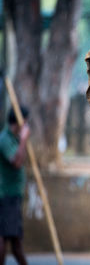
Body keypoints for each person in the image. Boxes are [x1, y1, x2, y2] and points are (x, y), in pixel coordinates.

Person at [0, 107, 29, 265]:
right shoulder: (5, 139)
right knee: (10, 240)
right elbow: (16, 163)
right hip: (7, 196)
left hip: (11, 195)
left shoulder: (12, 138)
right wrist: (24, 139)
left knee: (12, 238)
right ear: (20, 122)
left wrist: (22, 140)